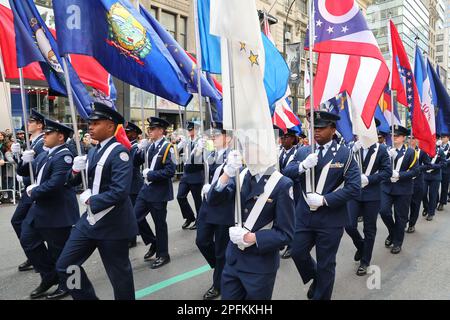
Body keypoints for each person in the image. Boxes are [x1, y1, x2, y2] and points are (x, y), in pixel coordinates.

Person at [56, 103, 138, 300]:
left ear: (110, 126)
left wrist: (93, 200)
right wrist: (75, 170)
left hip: (113, 224)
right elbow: (73, 181)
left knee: (119, 276)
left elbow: (120, 191)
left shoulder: (120, 153)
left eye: (95, 123)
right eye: (89, 123)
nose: (89, 127)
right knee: (65, 266)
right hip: (90, 222)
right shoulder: (93, 151)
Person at [283, 111, 360, 300]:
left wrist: (325, 200)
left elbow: (354, 188)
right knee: (297, 252)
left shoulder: (344, 153)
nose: (316, 131)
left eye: (321, 128)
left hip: (330, 219)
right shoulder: (303, 151)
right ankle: (317, 278)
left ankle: (322, 292)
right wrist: (302, 166)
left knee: (326, 264)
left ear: (333, 130)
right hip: (304, 216)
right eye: (314, 128)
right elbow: (286, 172)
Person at [207, 153, 295, 300]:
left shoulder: (282, 184)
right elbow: (213, 200)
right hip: (233, 260)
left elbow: (286, 234)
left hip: (259, 265)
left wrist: (251, 237)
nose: (246, 152)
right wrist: (226, 174)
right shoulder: (241, 175)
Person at [18, 119, 79, 299]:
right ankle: (49, 275)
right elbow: (25, 171)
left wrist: (34, 191)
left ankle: (68, 285)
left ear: (60, 137)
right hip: (40, 208)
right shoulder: (46, 154)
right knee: (27, 239)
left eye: (48, 133)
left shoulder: (65, 156)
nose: (44, 135)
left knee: (59, 250)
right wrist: (22, 159)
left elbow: (56, 183)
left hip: (56, 210)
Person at [345, 130, 391, 276]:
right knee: (349, 225)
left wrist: (370, 179)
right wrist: (351, 151)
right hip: (354, 193)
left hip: (372, 195)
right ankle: (361, 245)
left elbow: (387, 172)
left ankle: (365, 261)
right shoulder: (353, 147)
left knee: (369, 229)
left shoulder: (381, 149)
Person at [196, 122, 233, 300]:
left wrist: (212, 188)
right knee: (202, 241)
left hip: (223, 208)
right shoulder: (210, 154)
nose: (213, 138)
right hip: (207, 207)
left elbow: (233, 184)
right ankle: (222, 267)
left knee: (220, 250)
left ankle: (218, 284)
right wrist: (197, 151)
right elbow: (191, 168)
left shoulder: (233, 157)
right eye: (213, 135)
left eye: (217, 135)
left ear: (229, 138)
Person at [133, 117, 176, 269]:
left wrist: (151, 175)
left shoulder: (167, 147)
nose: (149, 131)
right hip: (146, 191)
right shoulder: (149, 146)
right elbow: (135, 162)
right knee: (134, 218)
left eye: (152, 129)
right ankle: (154, 242)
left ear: (161, 130)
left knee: (160, 225)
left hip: (159, 192)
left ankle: (163, 254)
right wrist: (139, 149)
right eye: (149, 129)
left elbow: (171, 171)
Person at [10, 110, 46, 272]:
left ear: (39, 125)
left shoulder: (41, 143)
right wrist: (17, 155)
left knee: (22, 223)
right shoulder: (31, 142)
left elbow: (40, 167)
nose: (28, 123)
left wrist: (24, 179)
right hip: (29, 188)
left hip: (34, 189)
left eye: (31, 121)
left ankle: (36, 256)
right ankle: (33, 255)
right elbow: (25, 167)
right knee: (21, 223)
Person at [380, 125, 419, 254]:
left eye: (396, 136)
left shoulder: (410, 152)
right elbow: (379, 167)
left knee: (400, 216)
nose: (394, 138)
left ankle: (397, 242)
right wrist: (386, 156)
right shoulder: (386, 150)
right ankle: (392, 232)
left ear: (403, 138)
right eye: (392, 136)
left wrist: (399, 175)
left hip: (403, 189)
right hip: (387, 187)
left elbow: (415, 171)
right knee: (384, 211)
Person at [177, 121, 204, 230]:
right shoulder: (187, 142)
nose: (189, 131)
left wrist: (200, 149)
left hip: (196, 174)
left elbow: (206, 158)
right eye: (188, 129)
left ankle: (200, 221)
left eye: (191, 129)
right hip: (186, 174)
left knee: (197, 200)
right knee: (180, 196)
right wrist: (180, 145)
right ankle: (189, 216)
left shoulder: (202, 141)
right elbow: (176, 152)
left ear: (196, 130)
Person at [277, 128, 300, 260]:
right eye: (282, 137)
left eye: (286, 137)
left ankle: (291, 245)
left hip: (294, 189)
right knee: (279, 216)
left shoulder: (297, 153)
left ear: (292, 138)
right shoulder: (279, 152)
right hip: (280, 189)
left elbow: (292, 171)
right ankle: (281, 240)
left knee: (292, 217)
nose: (283, 140)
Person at [125, 121, 144, 248]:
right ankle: (131, 236)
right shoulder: (126, 146)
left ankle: (132, 238)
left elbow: (136, 161)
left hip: (134, 184)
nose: (126, 134)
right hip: (127, 184)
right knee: (129, 213)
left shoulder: (136, 147)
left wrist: (140, 150)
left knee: (134, 213)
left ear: (135, 134)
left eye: (128, 132)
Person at [420, 140, 445, 224]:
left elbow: (443, 163)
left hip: (435, 176)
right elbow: (419, 162)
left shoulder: (440, 151)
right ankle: (426, 207)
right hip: (425, 175)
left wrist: (434, 166)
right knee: (423, 193)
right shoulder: (423, 151)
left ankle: (431, 213)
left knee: (433, 194)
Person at [437, 134, 450, 211]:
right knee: (435, 186)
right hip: (437, 168)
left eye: (444, 137)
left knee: (444, 187)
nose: (442, 139)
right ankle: (436, 200)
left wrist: (444, 163)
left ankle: (442, 202)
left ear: (448, 138)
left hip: (446, 168)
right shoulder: (439, 145)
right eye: (441, 137)